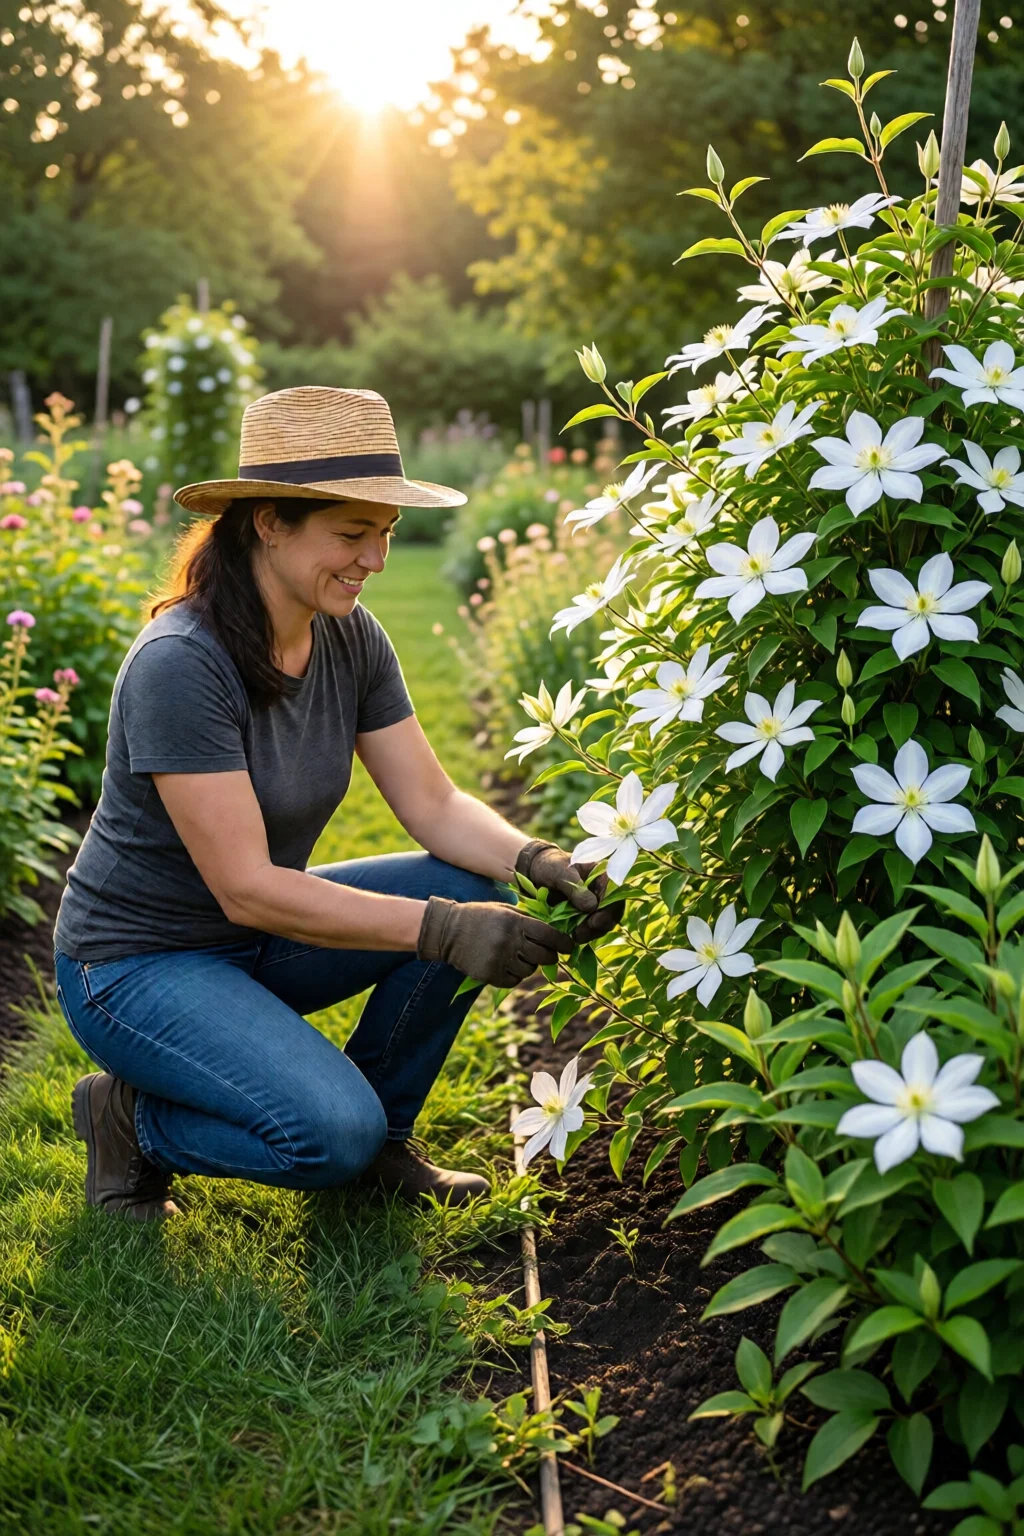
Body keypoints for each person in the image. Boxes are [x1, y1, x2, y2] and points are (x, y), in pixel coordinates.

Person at [53, 386, 620, 1222]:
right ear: (268, 523)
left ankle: (385, 1142)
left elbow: (432, 802)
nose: (376, 560)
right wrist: (442, 933)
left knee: (474, 885)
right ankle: (131, 1122)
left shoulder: (350, 634)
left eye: (385, 534)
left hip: (255, 941)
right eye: (352, 534)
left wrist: (536, 860)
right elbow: (246, 885)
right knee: (325, 1134)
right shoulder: (181, 663)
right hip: (137, 966)